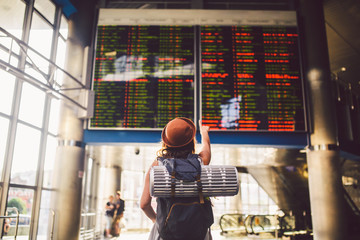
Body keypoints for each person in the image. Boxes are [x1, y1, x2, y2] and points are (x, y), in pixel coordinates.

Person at [140, 117, 213, 240]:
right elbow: (207, 148)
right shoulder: (201, 162)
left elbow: (144, 204)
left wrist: (156, 219)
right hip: (198, 233)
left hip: (167, 232)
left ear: (167, 142)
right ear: (191, 141)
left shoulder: (157, 165)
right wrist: (204, 132)